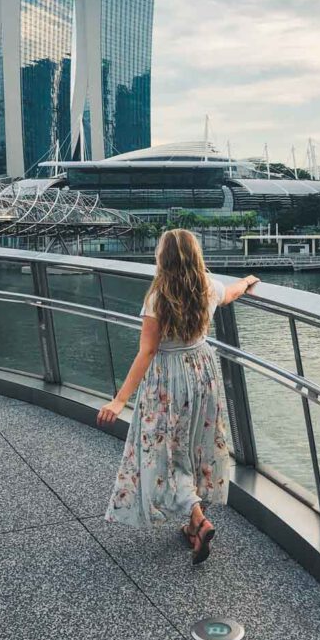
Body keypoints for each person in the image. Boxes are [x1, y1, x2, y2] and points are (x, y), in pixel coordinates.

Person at [98, 228, 259, 565]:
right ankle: (194, 525)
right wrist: (246, 283)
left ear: (163, 257)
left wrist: (119, 400)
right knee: (197, 445)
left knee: (166, 451)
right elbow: (229, 294)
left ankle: (197, 518)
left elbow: (147, 352)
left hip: (167, 380)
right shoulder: (207, 287)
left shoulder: (158, 298)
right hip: (203, 372)